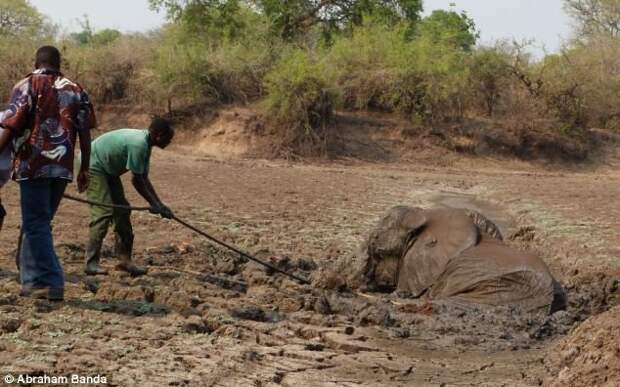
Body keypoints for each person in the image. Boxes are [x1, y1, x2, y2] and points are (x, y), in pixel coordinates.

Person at [0, 46, 95, 301]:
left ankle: (50, 280)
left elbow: (10, 125)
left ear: (36, 61)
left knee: (36, 223)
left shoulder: (27, 85)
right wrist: (84, 168)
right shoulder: (77, 90)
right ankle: (31, 279)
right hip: (63, 167)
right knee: (40, 222)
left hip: (33, 165)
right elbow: (85, 134)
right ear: (58, 62)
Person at [84, 118, 174, 277]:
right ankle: (90, 264)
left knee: (123, 212)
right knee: (104, 212)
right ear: (159, 135)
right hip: (93, 165)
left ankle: (124, 261)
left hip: (108, 170)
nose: (170, 141)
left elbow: (144, 178)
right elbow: (136, 180)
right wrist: (154, 204)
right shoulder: (139, 144)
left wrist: (159, 204)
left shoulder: (146, 144)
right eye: (169, 138)